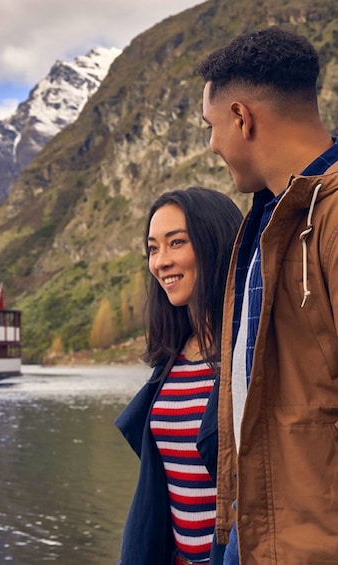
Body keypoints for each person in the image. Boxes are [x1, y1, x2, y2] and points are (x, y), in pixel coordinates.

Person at [197, 27, 338, 563]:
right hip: (260, 531)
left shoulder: (331, 218)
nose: (212, 145)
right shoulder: (267, 222)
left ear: (242, 117)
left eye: (212, 127)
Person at [116, 187, 242, 565]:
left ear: (214, 244)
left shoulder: (247, 354)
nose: (161, 262)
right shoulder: (171, 360)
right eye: (153, 249)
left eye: (176, 243)